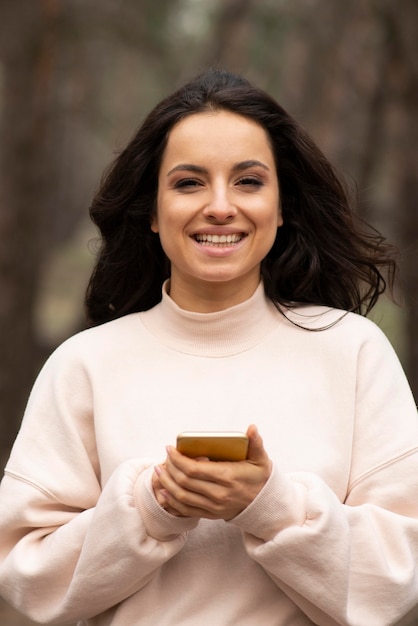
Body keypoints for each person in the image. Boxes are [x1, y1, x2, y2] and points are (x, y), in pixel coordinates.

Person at [0, 68, 417, 626]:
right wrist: (151, 507)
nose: (220, 207)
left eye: (248, 181)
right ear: (151, 210)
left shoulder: (354, 351)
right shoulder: (85, 365)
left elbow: (399, 577)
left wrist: (269, 507)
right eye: (189, 182)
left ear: (283, 204)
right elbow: (26, 578)